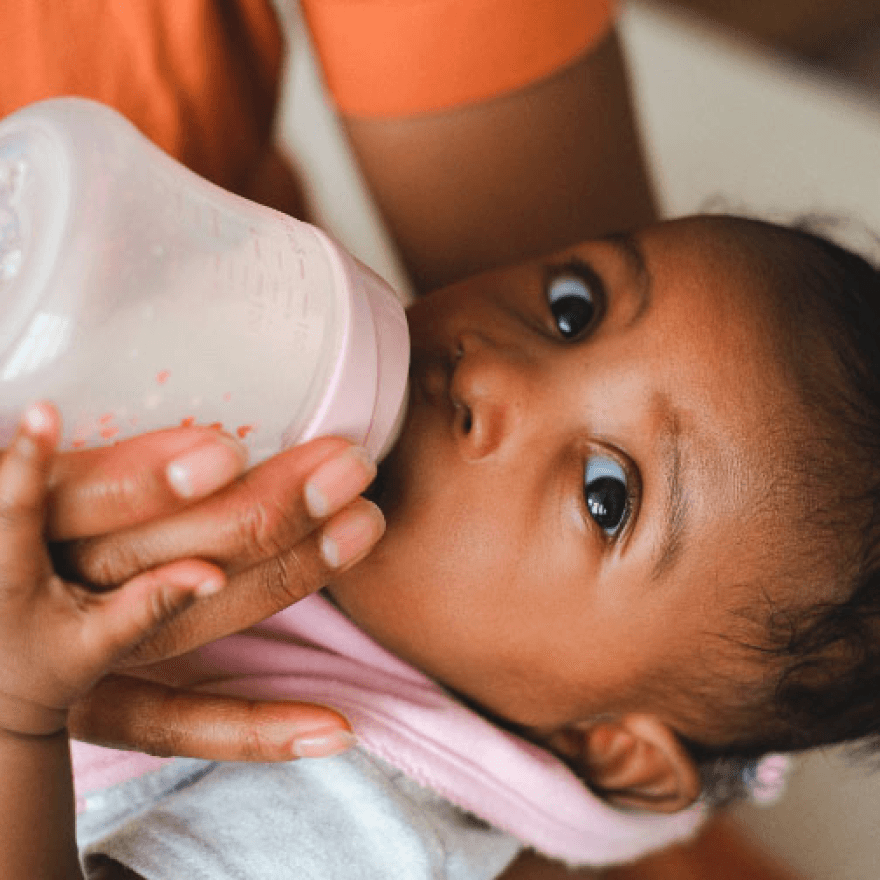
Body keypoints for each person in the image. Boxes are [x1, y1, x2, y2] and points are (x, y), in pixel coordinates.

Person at [2, 211, 880, 879]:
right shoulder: (279, 379)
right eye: (574, 309)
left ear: (603, 743)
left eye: (605, 497)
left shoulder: (358, 817)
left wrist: (16, 715)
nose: (491, 371)